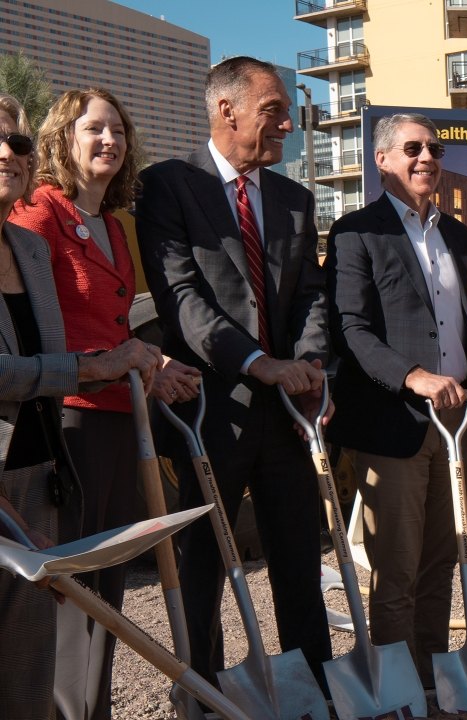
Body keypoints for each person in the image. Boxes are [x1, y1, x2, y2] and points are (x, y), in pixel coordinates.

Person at [136, 57, 333, 691]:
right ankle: (204, 695)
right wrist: (256, 363)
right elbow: (182, 298)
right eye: (274, 111)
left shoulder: (293, 199)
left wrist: (308, 366)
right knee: (202, 571)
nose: (286, 127)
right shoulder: (168, 185)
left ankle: (313, 693)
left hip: (285, 416)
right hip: (207, 413)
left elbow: (310, 294)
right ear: (227, 111)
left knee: (300, 561)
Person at [8, 88, 202, 719]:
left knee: (110, 582)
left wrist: (153, 361)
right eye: (94, 129)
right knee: (73, 587)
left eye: (118, 130)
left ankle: (94, 709)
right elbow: (40, 326)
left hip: (123, 416)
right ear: (63, 137)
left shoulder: (117, 228)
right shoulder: (37, 214)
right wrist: (116, 360)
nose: (110, 141)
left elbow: (116, 325)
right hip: (69, 418)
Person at [325, 112, 467, 687]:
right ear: (383, 159)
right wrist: (413, 376)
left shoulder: (458, 235)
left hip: (453, 425)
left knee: (443, 562)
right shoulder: (356, 232)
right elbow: (351, 328)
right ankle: (396, 687)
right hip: (394, 424)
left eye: (435, 149)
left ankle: (432, 681)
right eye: (413, 148)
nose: (427, 158)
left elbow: (462, 326)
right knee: (397, 571)